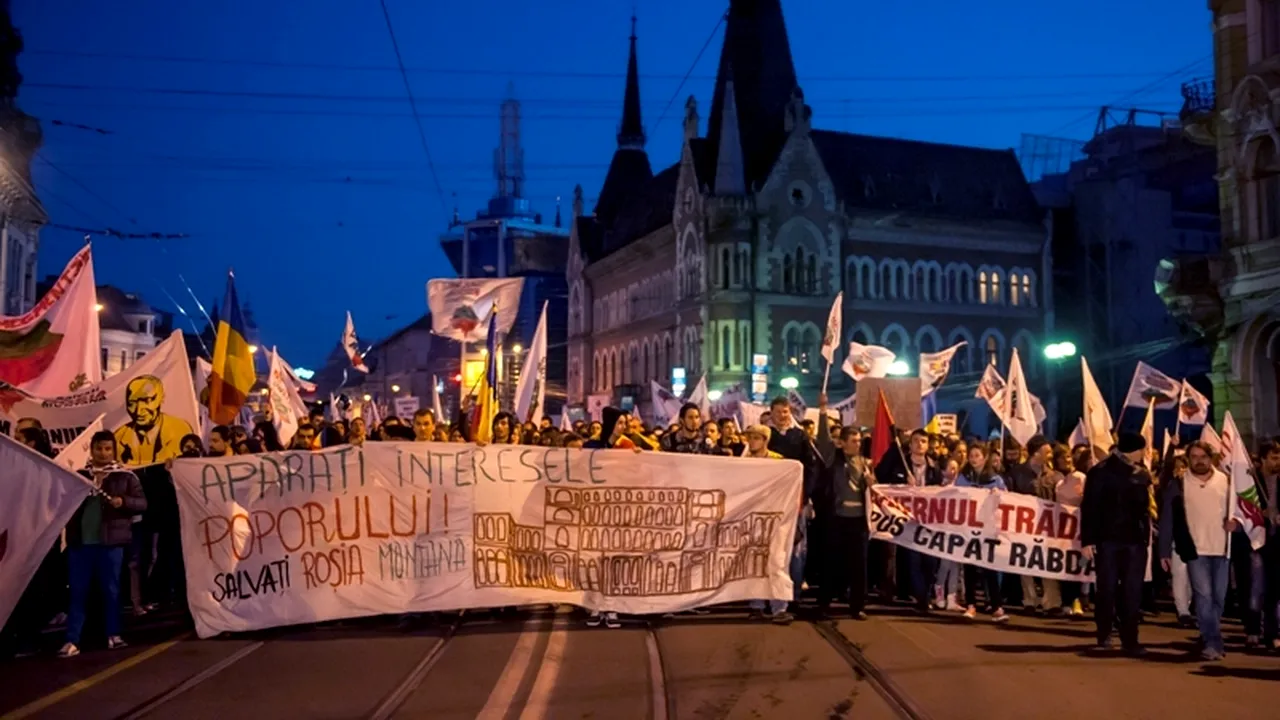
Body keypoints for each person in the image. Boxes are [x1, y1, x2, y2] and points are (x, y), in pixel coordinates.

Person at [60, 432, 147, 658]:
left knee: (111, 590)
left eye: (108, 449)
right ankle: (72, 640)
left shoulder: (125, 476)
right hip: (81, 543)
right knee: (78, 592)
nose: (103, 453)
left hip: (110, 544)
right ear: (92, 449)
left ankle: (114, 634)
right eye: (99, 448)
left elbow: (142, 503)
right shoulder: (79, 476)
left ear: (114, 450)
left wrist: (124, 502)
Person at [1158, 441, 1235, 660]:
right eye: (1194, 456)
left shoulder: (1226, 481)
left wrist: (1236, 524)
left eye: (1203, 456)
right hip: (1194, 550)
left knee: (1219, 598)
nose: (1199, 460)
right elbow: (1168, 519)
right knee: (1204, 596)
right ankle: (1212, 643)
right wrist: (1164, 550)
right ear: (1189, 458)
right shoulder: (1179, 483)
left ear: (1211, 458)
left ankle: (1209, 633)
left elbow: (1241, 510)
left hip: (1222, 549)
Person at [1080, 432, 1153, 656]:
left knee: (1130, 591)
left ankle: (1127, 637)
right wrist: (1088, 540)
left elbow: (1146, 510)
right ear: (1136, 449)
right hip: (1110, 540)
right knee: (1109, 589)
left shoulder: (1141, 474)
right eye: (1142, 449)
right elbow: (1090, 507)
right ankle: (1108, 634)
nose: (1144, 453)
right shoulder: (1100, 472)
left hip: (1131, 541)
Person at [813, 399, 871, 620]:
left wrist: (871, 482)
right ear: (843, 443)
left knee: (858, 565)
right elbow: (823, 438)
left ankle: (857, 605)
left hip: (858, 521)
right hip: (837, 519)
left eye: (859, 440)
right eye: (854, 441)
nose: (858, 444)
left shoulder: (865, 463)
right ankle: (824, 603)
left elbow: (870, 491)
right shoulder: (833, 457)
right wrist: (822, 411)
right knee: (831, 562)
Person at [955, 443, 1010, 622]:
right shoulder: (963, 477)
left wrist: (998, 495)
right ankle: (971, 605)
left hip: (988, 530)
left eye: (977, 455)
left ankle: (996, 605)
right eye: (971, 456)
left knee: (990, 568)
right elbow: (954, 496)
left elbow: (1008, 501)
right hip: (968, 529)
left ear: (985, 458)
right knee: (969, 566)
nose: (973, 459)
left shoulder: (996, 479)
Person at [114, 375, 195, 465]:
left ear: (162, 398)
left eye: (147, 401)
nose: (139, 411)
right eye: (132, 403)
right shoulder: (118, 437)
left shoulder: (180, 430)